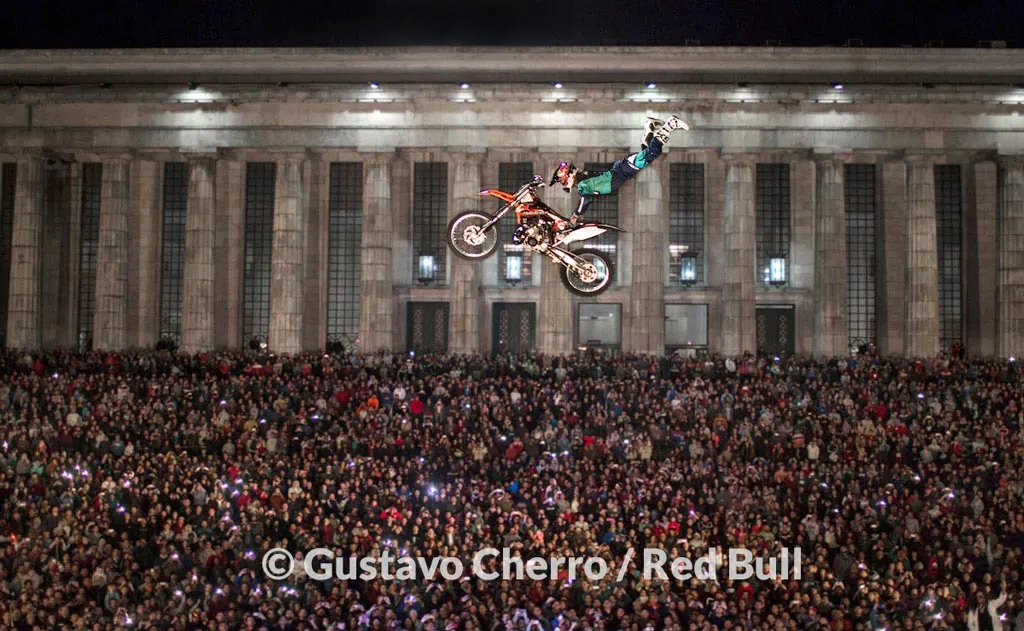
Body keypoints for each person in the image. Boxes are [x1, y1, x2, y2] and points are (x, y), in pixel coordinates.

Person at [549, 115, 689, 226]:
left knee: (651, 153)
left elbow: (586, 199)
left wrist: (576, 214)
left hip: (623, 170)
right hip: (622, 170)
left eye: (562, 180)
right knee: (647, 153)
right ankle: (649, 127)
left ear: (568, 175)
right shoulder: (583, 178)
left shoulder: (582, 185)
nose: (564, 184)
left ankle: (671, 124)